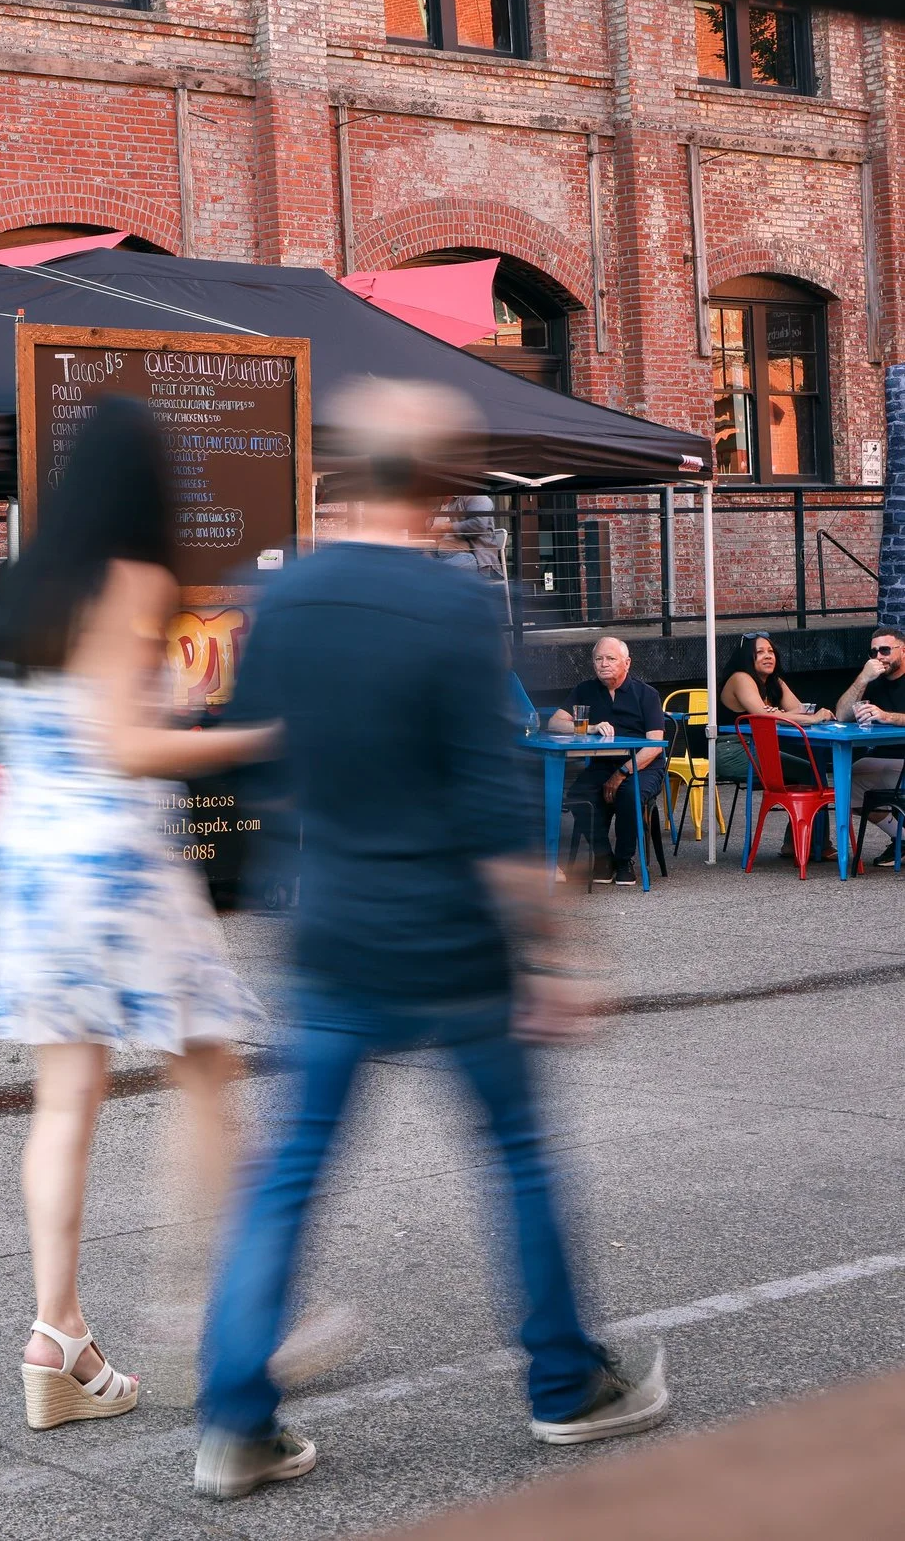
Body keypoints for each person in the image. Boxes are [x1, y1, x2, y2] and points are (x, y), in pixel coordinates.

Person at [195, 379, 666, 1502]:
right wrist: (554, 957)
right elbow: (493, 806)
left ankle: (234, 1420)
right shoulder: (454, 603)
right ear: (437, 488)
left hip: (330, 929)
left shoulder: (285, 594)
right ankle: (563, 1383)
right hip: (450, 937)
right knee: (516, 1157)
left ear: (346, 473)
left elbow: (258, 754)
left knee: (287, 1181)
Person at [0, 397, 276, 1432]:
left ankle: (56, 1333)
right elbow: (124, 746)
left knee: (66, 1099)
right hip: (115, 859)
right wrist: (257, 737)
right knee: (206, 1074)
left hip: (25, 859)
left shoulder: (19, 587)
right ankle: (242, 1318)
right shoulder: (136, 581)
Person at [547, 637, 667, 882]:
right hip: (603, 763)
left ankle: (625, 861)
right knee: (579, 793)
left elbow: (654, 745)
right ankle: (603, 857)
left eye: (611, 659)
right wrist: (589, 728)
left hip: (642, 766)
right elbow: (554, 723)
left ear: (627, 663)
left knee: (628, 794)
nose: (604, 664)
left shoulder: (646, 694)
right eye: (598, 659)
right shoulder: (586, 690)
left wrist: (623, 772)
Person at [714, 632, 827, 794]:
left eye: (771, 651)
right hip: (733, 751)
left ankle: (803, 820)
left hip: (759, 748)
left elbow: (804, 710)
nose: (767, 656)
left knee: (813, 771)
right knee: (810, 773)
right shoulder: (740, 678)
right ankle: (806, 820)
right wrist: (811, 718)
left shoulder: (775, 682)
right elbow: (764, 717)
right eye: (760, 652)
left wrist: (780, 714)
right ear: (747, 657)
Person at [833, 626, 905, 828]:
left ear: (903, 650)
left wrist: (887, 716)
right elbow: (841, 715)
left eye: (885, 650)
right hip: (881, 758)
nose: (879, 657)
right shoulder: (873, 680)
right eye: (873, 652)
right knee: (840, 782)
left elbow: (888, 717)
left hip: (899, 760)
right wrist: (863, 678)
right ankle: (900, 839)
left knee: (844, 786)